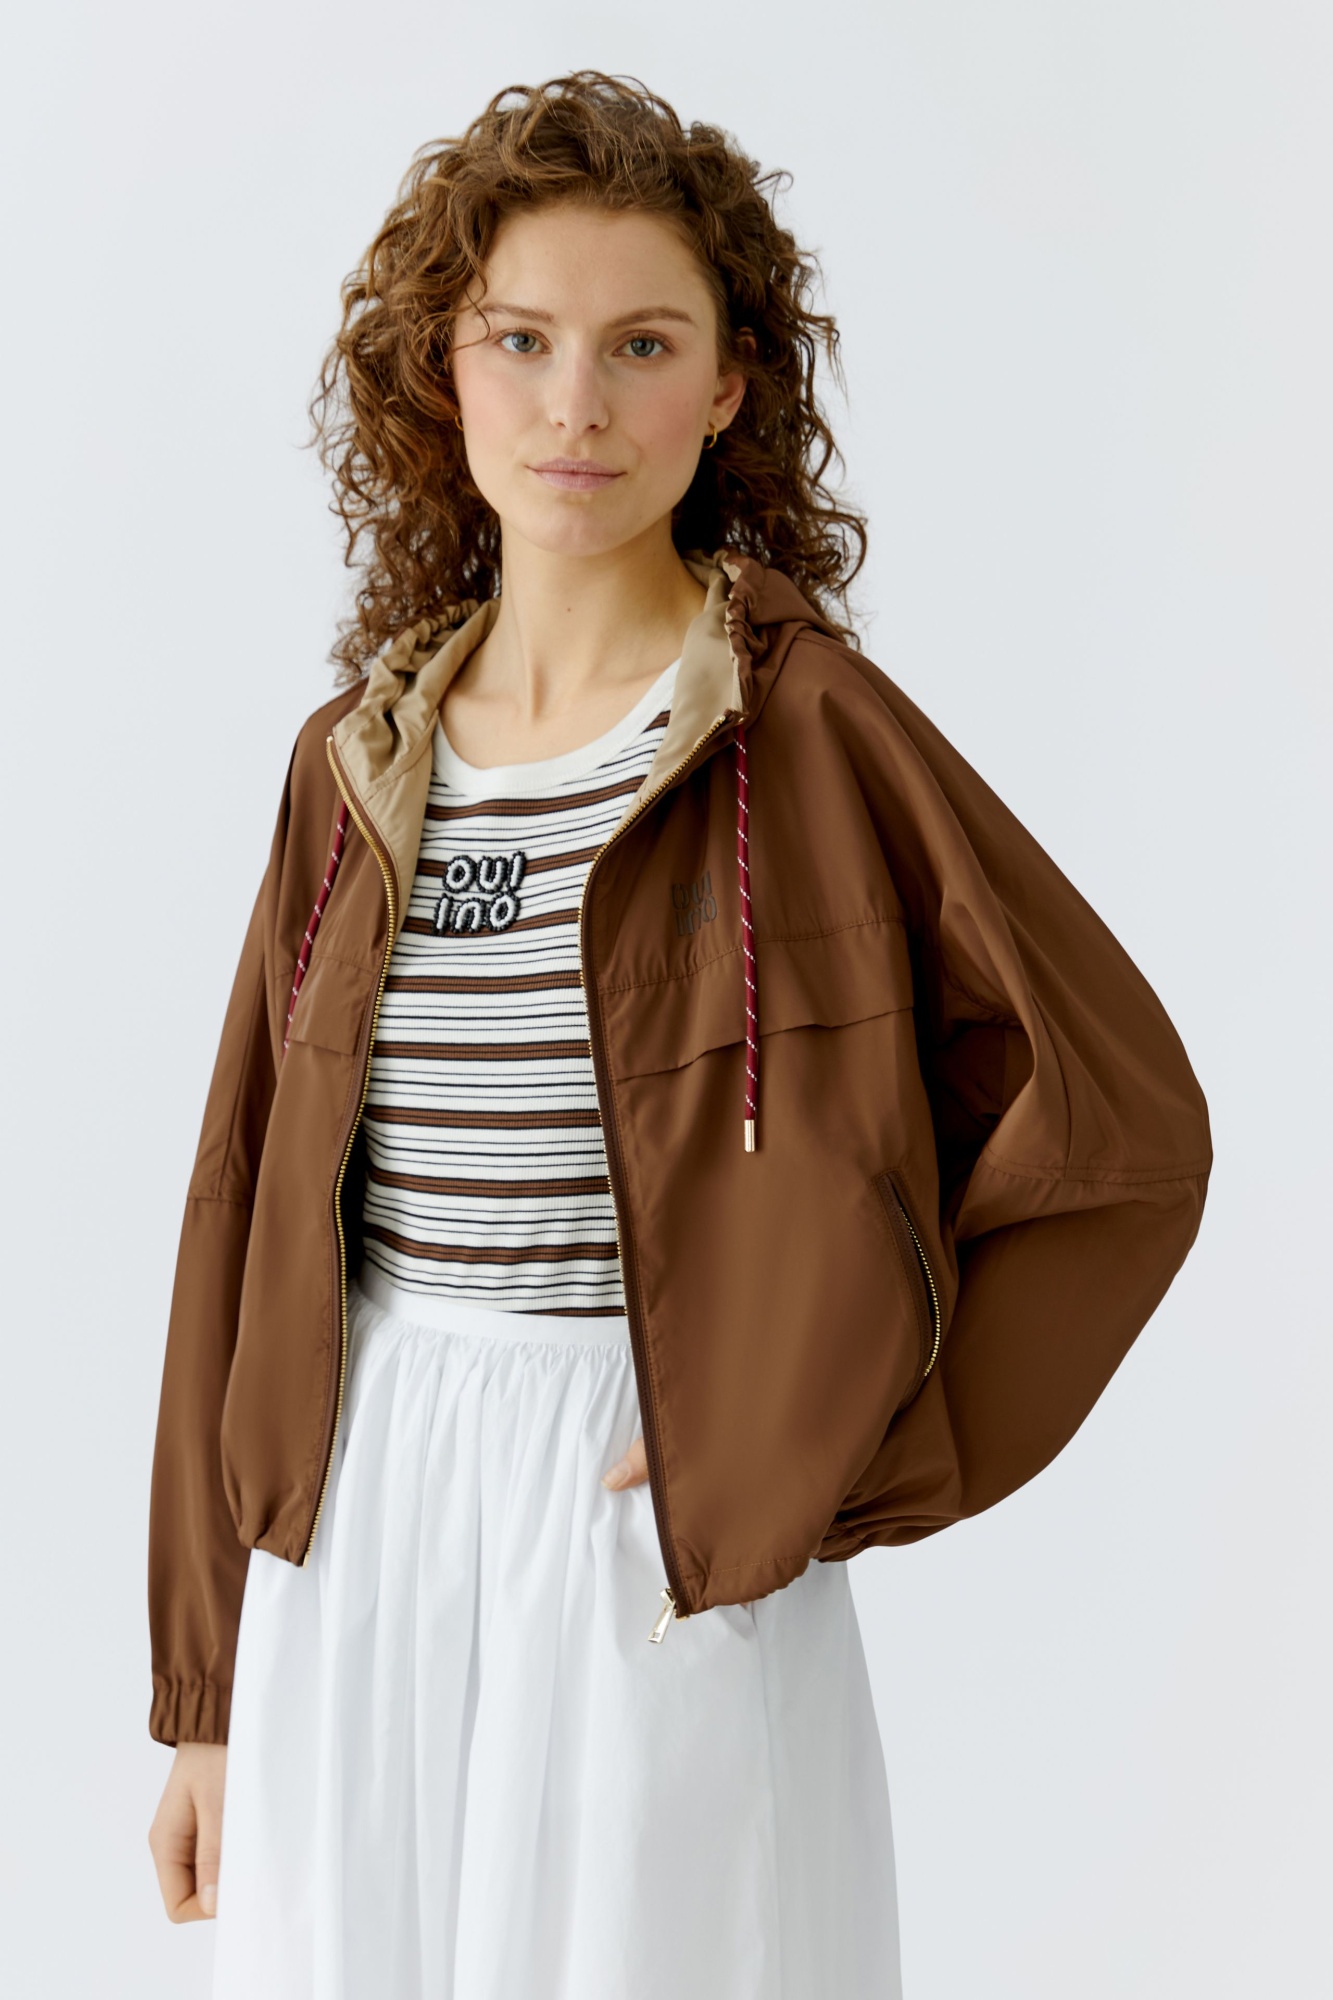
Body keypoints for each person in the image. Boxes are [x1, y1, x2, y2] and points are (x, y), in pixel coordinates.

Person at [145, 70, 1213, 2000]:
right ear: (442, 371)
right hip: (352, 1504)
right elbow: (237, 1205)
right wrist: (206, 1695)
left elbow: (1119, 1128)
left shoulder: (802, 728)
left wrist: (824, 1431)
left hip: (648, 1511)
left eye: (641, 345)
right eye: (521, 340)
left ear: (726, 387)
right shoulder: (355, 762)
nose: (575, 403)